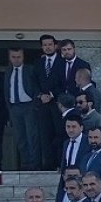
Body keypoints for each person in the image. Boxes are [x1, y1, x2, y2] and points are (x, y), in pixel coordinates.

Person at [3, 48, 40, 170]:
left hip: (29, 106)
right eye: (13, 57)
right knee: (20, 137)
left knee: (32, 136)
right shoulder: (8, 71)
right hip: (14, 107)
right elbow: (6, 91)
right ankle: (25, 163)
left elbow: (36, 87)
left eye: (18, 57)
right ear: (10, 58)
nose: (16, 59)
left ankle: (35, 164)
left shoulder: (30, 69)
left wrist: (35, 104)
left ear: (23, 57)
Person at [35, 34, 64, 171]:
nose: (47, 47)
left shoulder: (63, 62)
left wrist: (52, 94)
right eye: (45, 45)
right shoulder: (39, 63)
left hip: (58, 104)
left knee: (59, 134)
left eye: (50, 44)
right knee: (45, 136)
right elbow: (33, 82)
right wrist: (40, 95)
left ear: (55, 45)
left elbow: (65, 83)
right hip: (43, 105)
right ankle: (48, 165)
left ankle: (60, 163)